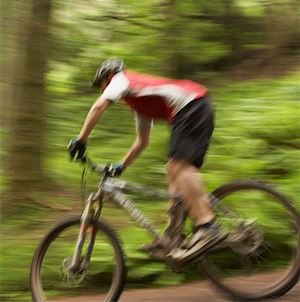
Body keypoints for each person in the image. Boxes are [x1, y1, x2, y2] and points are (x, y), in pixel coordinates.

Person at [68, 58, 224, 262]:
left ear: (107, 77)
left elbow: (99, 107)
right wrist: (120, 166)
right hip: (194, 106)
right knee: (173, 172)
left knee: (178, 166)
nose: (101, 90)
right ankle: (172, 236)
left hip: (191, 105)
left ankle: (206, 226)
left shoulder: (121, 79)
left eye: (101, 85)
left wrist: (81, 140)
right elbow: (142, 141)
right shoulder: (138, 99)